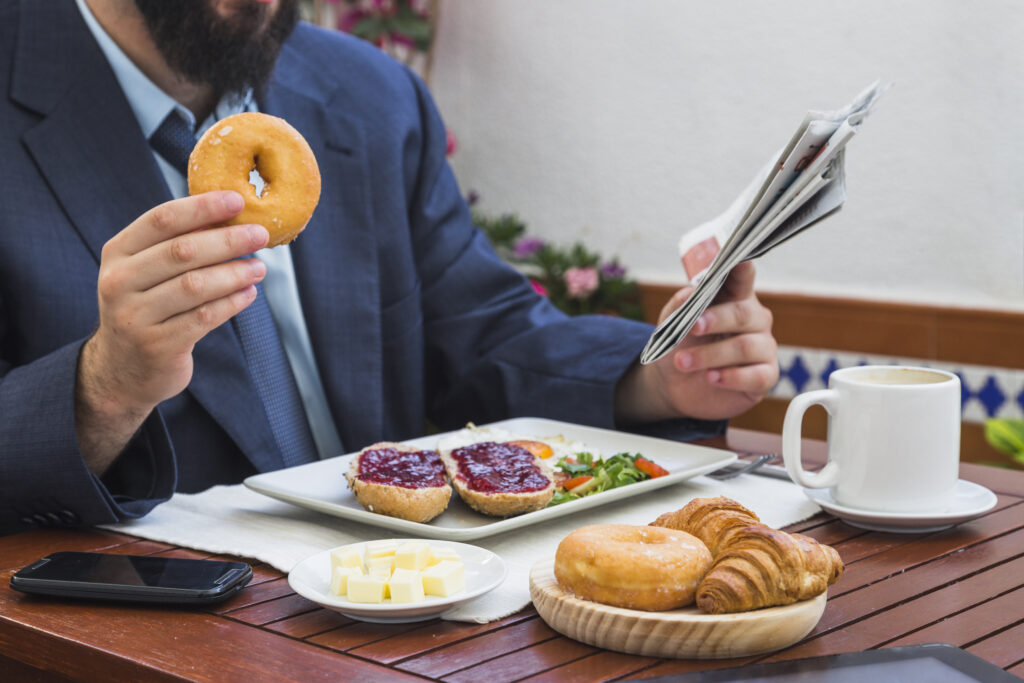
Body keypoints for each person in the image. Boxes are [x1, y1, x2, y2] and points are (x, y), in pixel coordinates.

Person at [0, 0, 778, 536]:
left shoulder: (371, 97)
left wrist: (658, 378)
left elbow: (479, 335)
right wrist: (103, 387)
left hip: (404, 602)